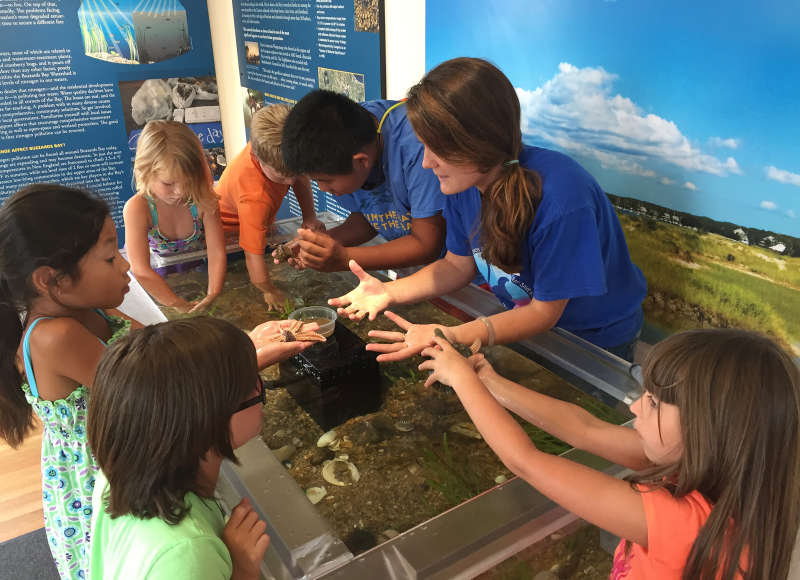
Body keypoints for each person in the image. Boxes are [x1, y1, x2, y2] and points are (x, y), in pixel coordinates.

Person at [329, 58, 646, 361]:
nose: (426, 162)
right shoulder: (462, 183)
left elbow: (543, 312)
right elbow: (457, 266)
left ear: (475, 142)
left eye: (437, 149)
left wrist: (448, 335)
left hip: (593, 341)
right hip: (524, 322)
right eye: (423, 146)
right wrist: (389, 291)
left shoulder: (563, 197)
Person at [419, 328, 800, 578]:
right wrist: (490, 382)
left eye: (653, 402)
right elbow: (585, 428)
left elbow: (526, 461)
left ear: (709, 429)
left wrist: (463, 381)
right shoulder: (713, 469)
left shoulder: (681, 522)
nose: (635, 407)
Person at [88, 317, 305, 579]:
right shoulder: (188, 555)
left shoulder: (121, 472)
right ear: (209, 421)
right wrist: (242, 568)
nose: (260, 386)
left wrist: (235, 365)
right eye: (252, 385)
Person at [0, 184, 141, 579]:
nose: (125, 266)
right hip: (96, 479)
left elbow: (153, 344)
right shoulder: (55, 337)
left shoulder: (87, 306)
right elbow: (149, 382)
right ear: (52, 279)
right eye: (111, 256)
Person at [279, 89, 446, 273]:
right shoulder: (344, 144)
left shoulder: (418, 148)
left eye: (325, 180)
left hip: (464, 270)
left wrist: (343, 259)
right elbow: (370, 217)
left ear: (361, 161)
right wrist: (317, 247)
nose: (323, 188)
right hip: (417, 271)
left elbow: (427, 244)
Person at [216, 104, 323, 310]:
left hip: (259, 220)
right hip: (228, 232)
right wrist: (268, 290)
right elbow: (252, 256)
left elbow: (297, 178)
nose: (291, 181)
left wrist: (309, 216)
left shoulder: (271, 148)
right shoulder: (254, 198)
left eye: (296, 172)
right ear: (257, 158)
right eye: (283, 176)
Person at [124, 120, 227, 313]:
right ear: (145, 172)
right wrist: (175, 303)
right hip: (155, 281)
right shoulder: (138, 208)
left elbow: (216, 253)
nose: (180, 191)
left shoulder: (203, 199)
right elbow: (141, 270)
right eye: (168, 183)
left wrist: (213, 293)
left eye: (188, 181)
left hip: (194, 269)